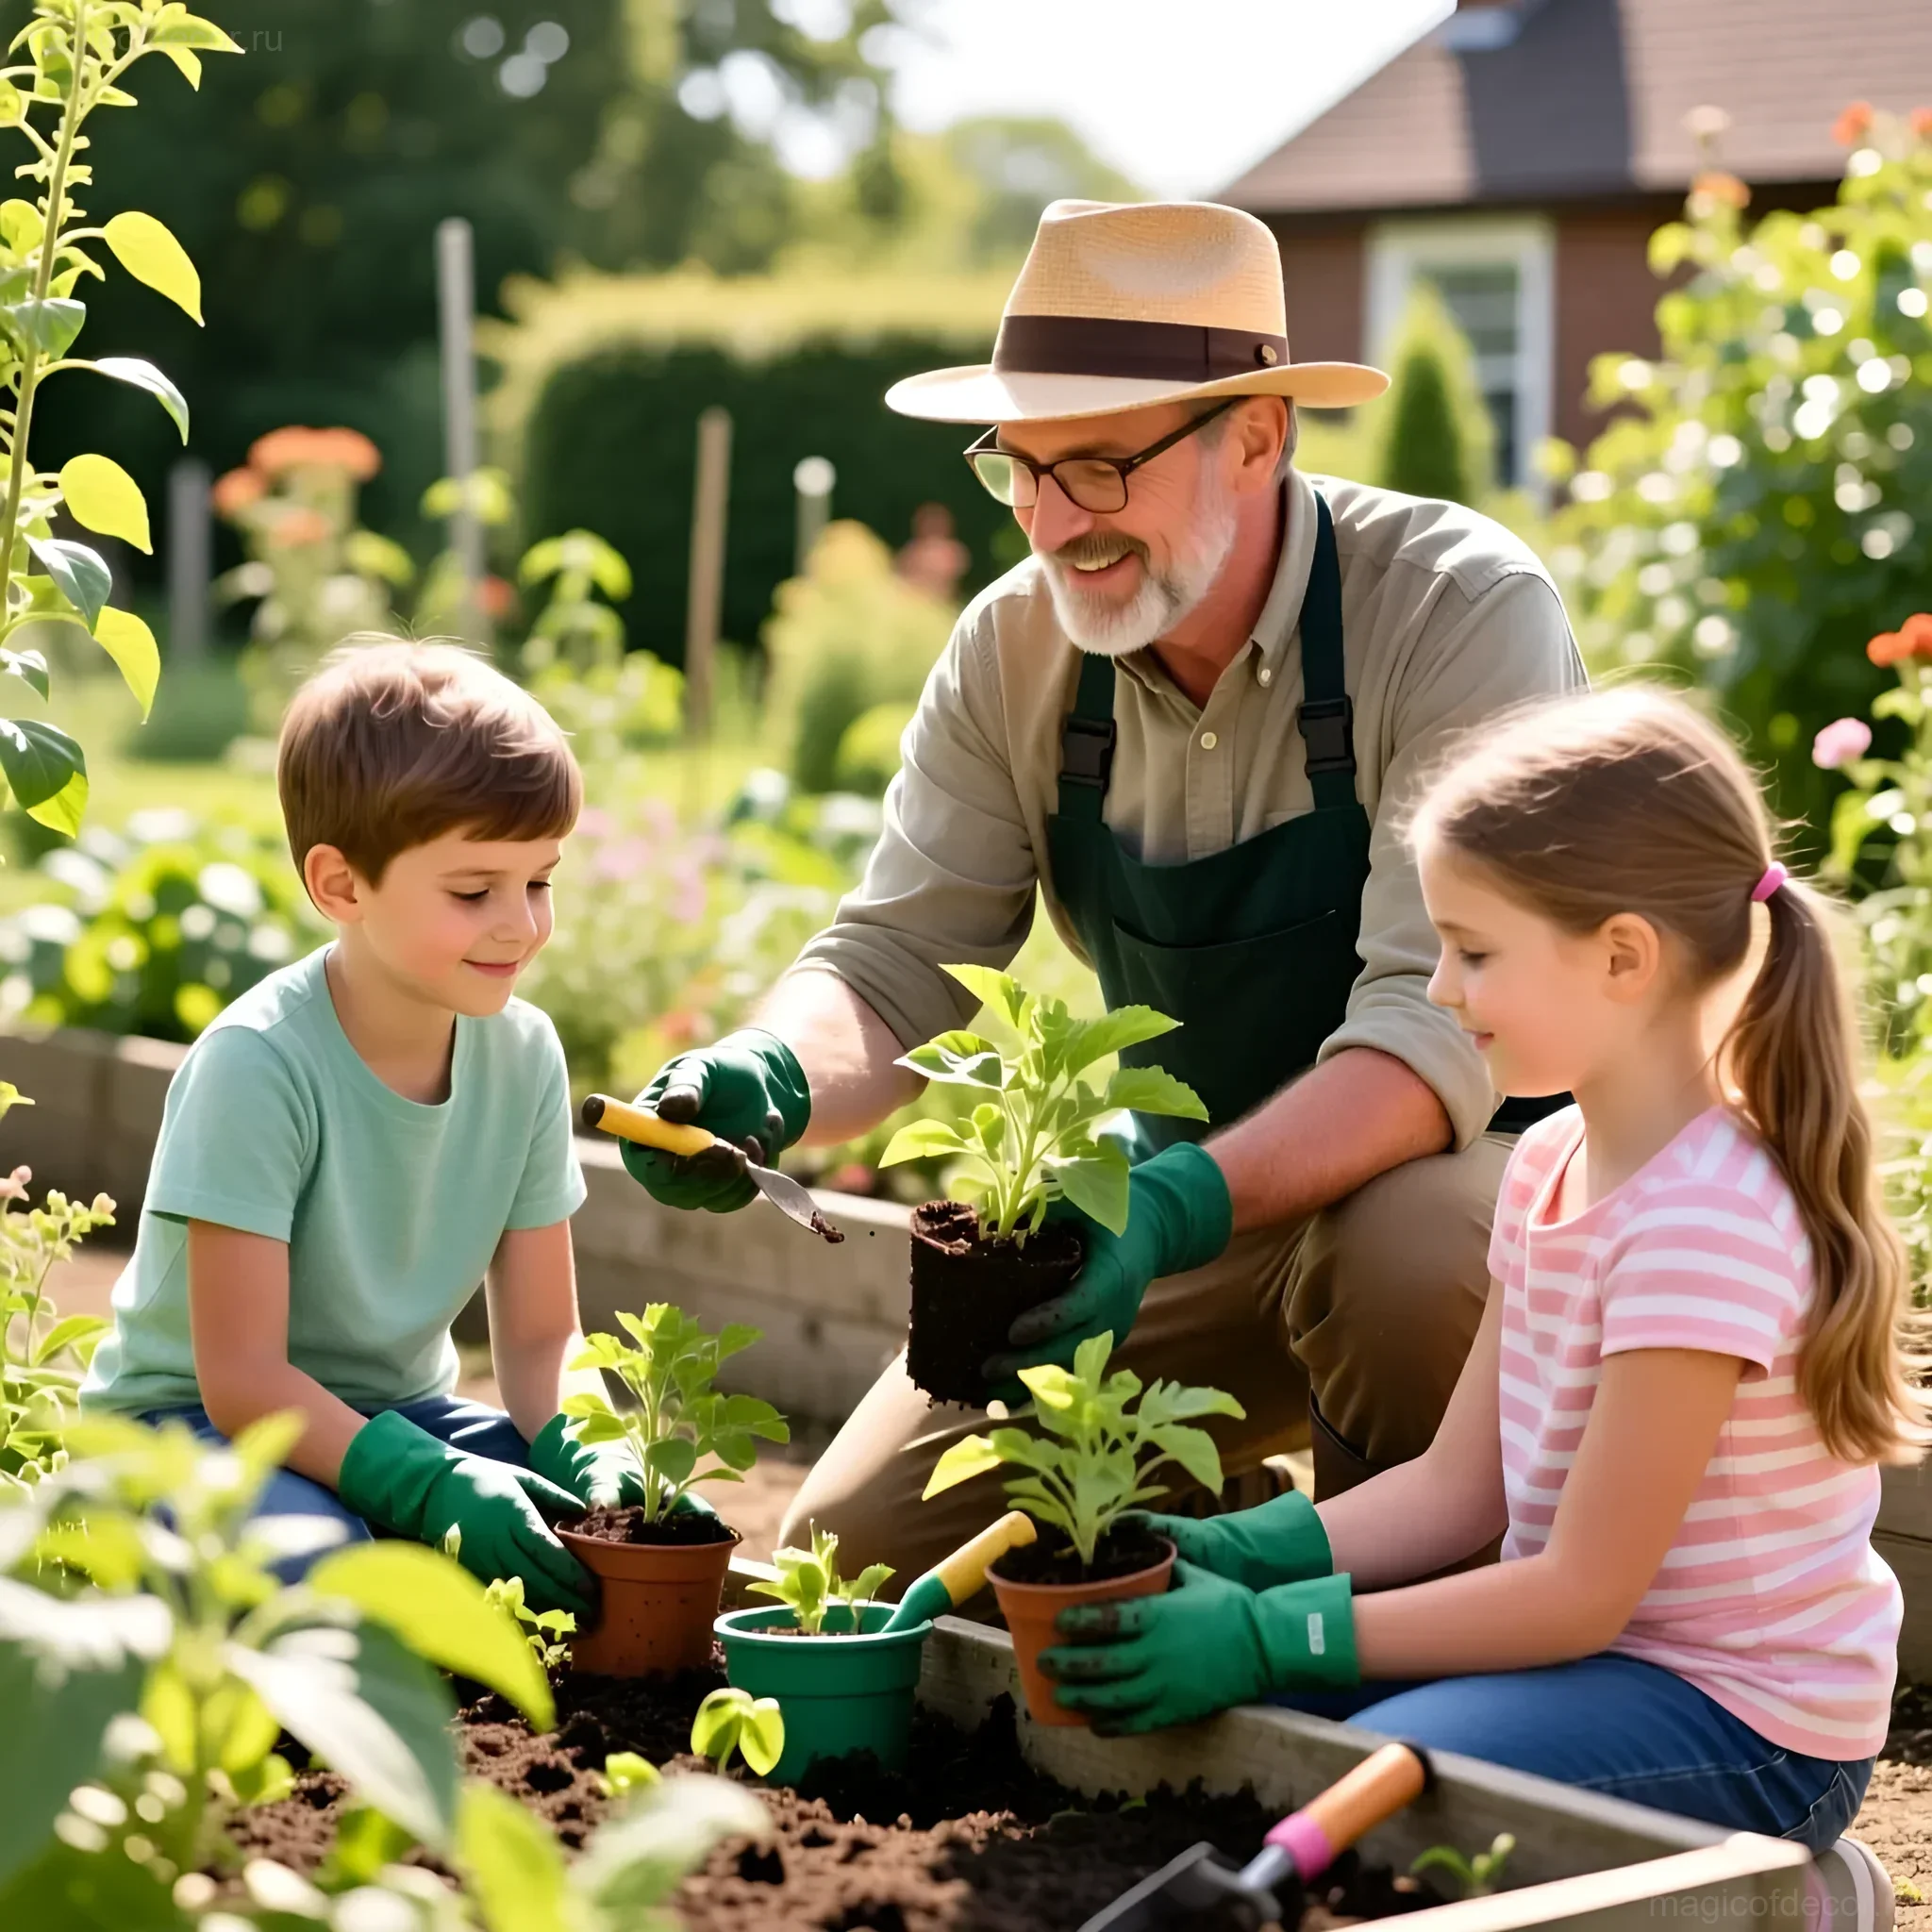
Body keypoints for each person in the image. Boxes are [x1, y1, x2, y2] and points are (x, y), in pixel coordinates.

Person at [620, 197, 1585, 1574]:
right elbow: (899, 959)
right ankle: (1193, 1532)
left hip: (1481, 1202)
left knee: (1405, 1248)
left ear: (1257, 435)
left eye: (1101, 469)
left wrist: (1167, 1211)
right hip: (1203, 1210)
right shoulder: (1016, 651)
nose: (1052, 522)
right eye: (1018, 470)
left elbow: (1438, 1039)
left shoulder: (1452, 612)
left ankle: (1429, 1624)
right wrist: (768, 1074)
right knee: (859, 1548)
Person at [1036, 685, 1925, 1852]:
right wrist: (1236, 1553)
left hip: (1744, 1723)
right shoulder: (1553, 1158)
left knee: (1389, 1799)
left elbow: (1576, 1593)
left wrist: (1273, 1633)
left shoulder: (1702, 1220)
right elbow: (1462, 1488)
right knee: (1244, 1738)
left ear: (1620, 956)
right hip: (1592, 1661)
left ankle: (1774, 1895)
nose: (1441, 989)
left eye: (1472, 950)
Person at [82, 641, 672, 1612]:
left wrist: (591, 1448)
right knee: (324, 1572)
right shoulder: (258, 1065)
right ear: (342, 886)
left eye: (540, 881)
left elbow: (536, 1338)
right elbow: (239, 1379)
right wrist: (427, 1483)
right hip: (192, 1427)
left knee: (602, 1524)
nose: (521, 925)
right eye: (474, 890)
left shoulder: (523, 1054)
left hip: (393, 1417)